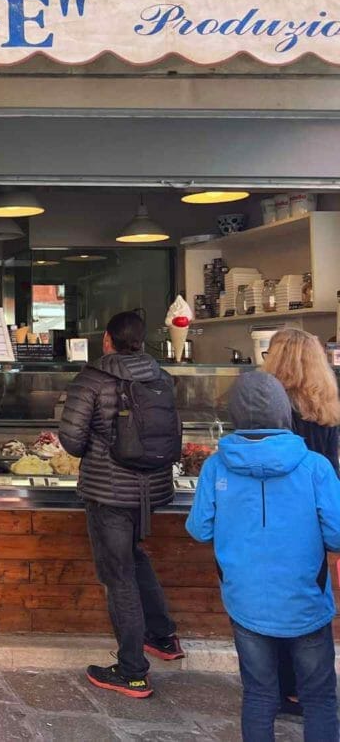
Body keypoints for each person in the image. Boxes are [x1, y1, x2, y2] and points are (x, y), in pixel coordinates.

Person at [186, 371, 340, 742]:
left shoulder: (216, 466)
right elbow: (337, 533)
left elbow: (199, 529)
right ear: (284, 412)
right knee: (319, 698)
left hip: (244, 601)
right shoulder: (315, 466)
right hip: (306, 601)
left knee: (258, 695)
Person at [58, 310, 183, 698]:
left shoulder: (92, 378)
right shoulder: (160, 376)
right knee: (134, 556)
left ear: (107, 340)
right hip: (152, 489)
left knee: (119, 573)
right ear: (142, 342)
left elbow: (72, 441)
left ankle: (131, 671)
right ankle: (162, 637)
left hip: (109, 491)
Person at [259, 328, 340, 718]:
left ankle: (275, 689)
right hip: (312, 521)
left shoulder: (271, 410)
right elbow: (332, 471)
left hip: (273, 519)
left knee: (270, 601)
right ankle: (302, 691)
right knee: (306, 602)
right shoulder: (326, 408)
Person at [263, 328, 340, 474]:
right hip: (318, 486)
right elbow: (332, 465)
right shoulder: (326, 403)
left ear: (276, 362)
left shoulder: (269, 403)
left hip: (283, 490)